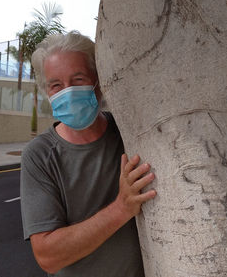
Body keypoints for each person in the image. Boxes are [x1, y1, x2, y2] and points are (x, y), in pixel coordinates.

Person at [20, 31, 157, 277]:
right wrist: (121, 208)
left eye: (78, 79)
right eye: (56, 85)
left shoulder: (129, 132)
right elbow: (48, 256)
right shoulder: (39, 155)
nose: (68, 92)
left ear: (99, 82)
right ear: (47, 93)